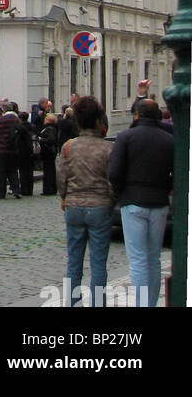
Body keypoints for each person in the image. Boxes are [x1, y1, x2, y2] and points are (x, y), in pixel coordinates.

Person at [107, 99, 174, 308]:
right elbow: (178, 171)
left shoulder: (125, 137)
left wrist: (120, 193)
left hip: (132, 201)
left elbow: (114, 172)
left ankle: (142, 304)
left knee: (137, 259)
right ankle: (151, 303)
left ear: (136, 115)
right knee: (153, 258)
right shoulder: (169, 139)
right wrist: (166, 187)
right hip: (160, 202)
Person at [57, 95, 114, 307]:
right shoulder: (107, 148)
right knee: (99, 264)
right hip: (99, 205)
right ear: (99, 121)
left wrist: (64, 197)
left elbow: (61, 178)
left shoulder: (69, 147)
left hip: (73, 206)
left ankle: (73, 304)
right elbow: (112, 181)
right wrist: (110, 198)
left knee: (74, 263)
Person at [0, 101, 23, 199]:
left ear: (4, 109)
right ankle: (16, 190)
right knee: (13, 171)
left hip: (1, 149)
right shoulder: (16, 119)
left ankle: (1, 193)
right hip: (13, 149)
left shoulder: (0, 119)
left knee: (1, 172)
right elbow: (20, 130)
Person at [39, 112, 60, 196]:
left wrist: (41, 140)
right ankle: (50, 188)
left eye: (46, 118)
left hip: (48, 151)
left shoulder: (50, 128)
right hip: (49, 152)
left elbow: (51, 139)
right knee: (49, 170)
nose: (44, 120)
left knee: (49, 171)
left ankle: (49, 189)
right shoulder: (51, 128)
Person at [17, 111, 37, 197]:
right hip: (30, 151)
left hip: (22, 151)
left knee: (23, 171)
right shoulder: (32, 126)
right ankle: (30, 189)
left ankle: (24, 189)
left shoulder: (20, 128)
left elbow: (18, 140)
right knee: (30, 171)